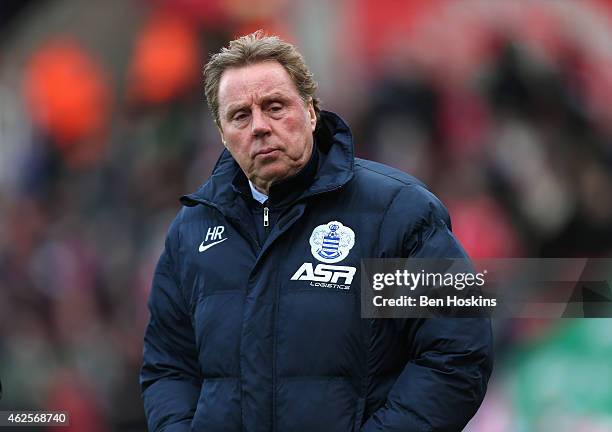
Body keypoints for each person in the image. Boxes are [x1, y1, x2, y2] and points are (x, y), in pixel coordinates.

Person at [140, 31, 493, 432]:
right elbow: (169, 367)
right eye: (240, 115)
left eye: (275, 107)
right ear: (222, 134)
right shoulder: (192, 233)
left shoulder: (392, 215)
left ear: (311, 111)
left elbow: (455, 353)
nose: (259, 126)